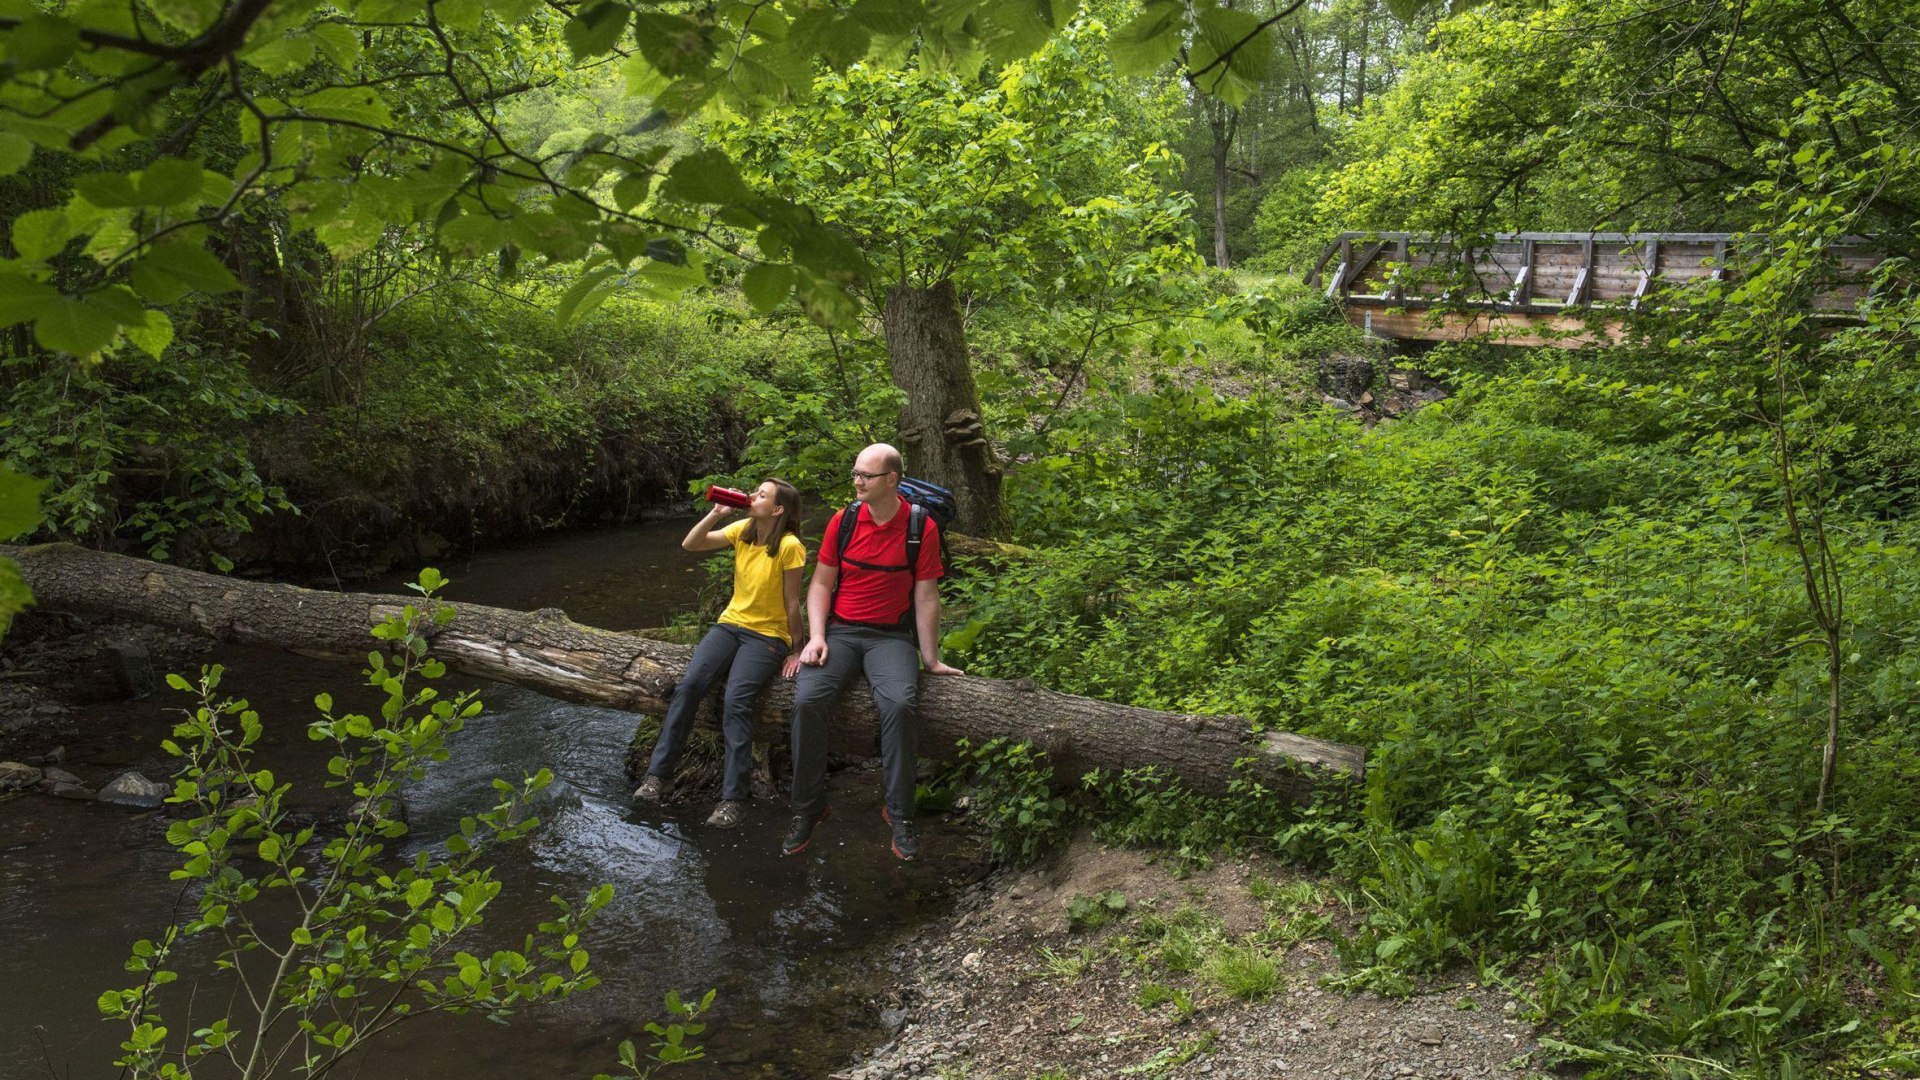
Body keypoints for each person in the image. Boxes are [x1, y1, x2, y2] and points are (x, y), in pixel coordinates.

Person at [782, 444, 963, 861]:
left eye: (866, 475)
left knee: (899, 704)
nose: (858, 481)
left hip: (891, 638)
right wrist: (816, 637)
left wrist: (931, 658)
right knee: (807, 701)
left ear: (891, 479)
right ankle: (807, 808)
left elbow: (926, 596)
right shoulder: (844, 520)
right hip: (840, 632)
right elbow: (821, 584)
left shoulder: (920, 527)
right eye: (856, 473)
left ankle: (900, 814)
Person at [633, 479, 806, 828]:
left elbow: (792, 602)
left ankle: (733, 799)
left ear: (778, 510)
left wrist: (797, 648)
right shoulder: (743, 530)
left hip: (767, 636)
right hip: (729, 626)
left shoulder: (790, 546)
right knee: (689, 686)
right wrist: (716, 514)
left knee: (736, 700)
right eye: (755, 491)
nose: (752, 496)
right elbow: (691, 544)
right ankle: (658, 777)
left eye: (761, 495)